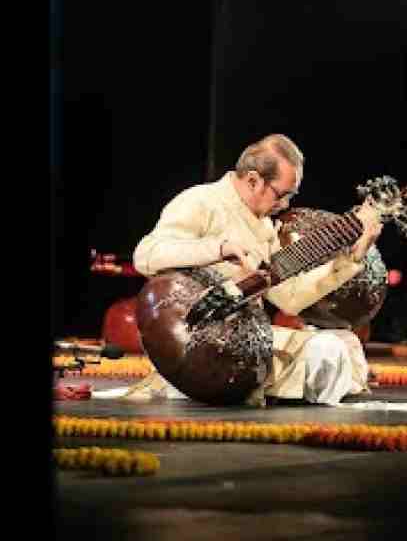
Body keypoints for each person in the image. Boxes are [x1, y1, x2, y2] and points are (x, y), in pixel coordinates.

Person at [128, 133, 384, 406]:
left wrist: (351, 259)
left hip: (249, 338)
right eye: (282, 195)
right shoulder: (200, 201)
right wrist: (218, 248)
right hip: (198, 344)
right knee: (328, 352)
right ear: (253, 180)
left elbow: (290, 298)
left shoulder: (263, 227)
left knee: (345, 342)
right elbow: (146, 255)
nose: (285, 205)